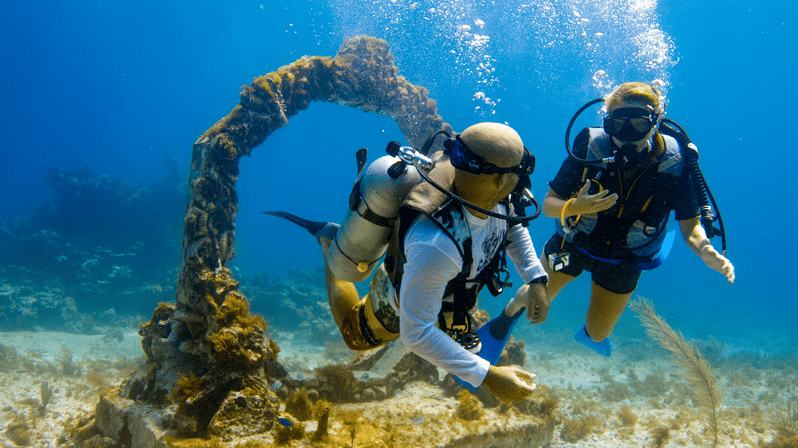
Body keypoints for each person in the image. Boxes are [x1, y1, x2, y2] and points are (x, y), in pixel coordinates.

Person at [270, 122, 549, 402]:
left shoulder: (494, 195)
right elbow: (415, 333)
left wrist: (535, 278)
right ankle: (331, 244)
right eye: (517, 173)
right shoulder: (437, 247)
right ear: (502, 181)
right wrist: (488, 376)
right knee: (353, 334)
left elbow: (512, 225)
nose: (519, 184)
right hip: (401, 299)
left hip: (446, 290)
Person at [529, 82, 735, 357]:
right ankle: (507, 316)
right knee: (531, 300)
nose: (626, 136)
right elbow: (548, 204)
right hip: (573, 243)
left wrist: (705, 250)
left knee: (598, 332)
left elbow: (691, 226)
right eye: (617, 126)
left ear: (656, 121)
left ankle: (591, 335)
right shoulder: (590, 145)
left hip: (625, 258)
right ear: (606, 122)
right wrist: (573, 206)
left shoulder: (675, 160)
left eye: (638, 124)